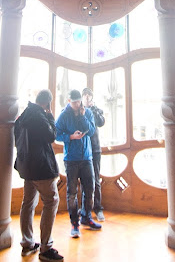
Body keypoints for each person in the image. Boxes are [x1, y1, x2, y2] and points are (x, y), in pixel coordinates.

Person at [15, 89, 63, 261]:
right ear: (47, 103)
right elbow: (51, 136)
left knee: (27, 203)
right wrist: (50, 116)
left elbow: (16, 138)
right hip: (41, 168)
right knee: (51, 201)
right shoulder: (40, 115)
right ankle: (45, 248)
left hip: (27, 167)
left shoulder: (24, 115)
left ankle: (27, 243)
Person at [55, 89, 101, 238]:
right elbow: (55, 133)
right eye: (74, 102)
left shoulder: (86, 112)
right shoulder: (63, 115)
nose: (77, 104)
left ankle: (86, 217)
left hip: (87, 157)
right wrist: (70, 137)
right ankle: (74, 223)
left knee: (90, 189)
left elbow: (92, 130)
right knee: (72, 192)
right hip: (71, 159)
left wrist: (82, 117)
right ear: (69, 101)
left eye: (78, 101)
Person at [81, 88, 105, 221]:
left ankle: (98, 208)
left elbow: (101, 122)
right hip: (82, 150)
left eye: (89, 95)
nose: (87, 97)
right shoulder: (78, 110)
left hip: (95, 149)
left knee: (96, 179)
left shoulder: (96, 110)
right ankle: (85, 208)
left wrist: (93, 109)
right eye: (85, 95)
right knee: (84, 180)